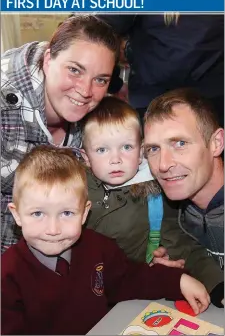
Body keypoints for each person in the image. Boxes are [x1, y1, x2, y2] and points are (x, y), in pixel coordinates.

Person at [2, 145, 210, 335]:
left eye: (66, 213)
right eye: (38, 214)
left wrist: (178, 280)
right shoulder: (7, 274)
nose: (53, 229)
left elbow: (131, 279)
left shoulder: (98, 247)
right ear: (17, 214)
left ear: (84, 214)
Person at [1, 14, 120, 253]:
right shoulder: (5, 104)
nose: (86, 91)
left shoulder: (98, 118)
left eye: (100, 80)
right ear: (47, 60)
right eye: (75, 70)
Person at [144, 88, 224, 308]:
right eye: (152, 148)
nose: (163, 164)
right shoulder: (164, 212)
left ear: (216, 143)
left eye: (180, 143)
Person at [80, 96, 184, 265]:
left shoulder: (157, 194)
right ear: (86, 157)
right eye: (102, 149)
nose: (116, 159)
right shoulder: (73, 189)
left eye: (126, 147)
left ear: (141, 151)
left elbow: (179, 243)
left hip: (132, 283)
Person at [98, 14, 224, 126]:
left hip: (208, 102)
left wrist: (114, 83)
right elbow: (99, 31)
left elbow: (99, 30)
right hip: (155, 100)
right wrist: (113, 83)